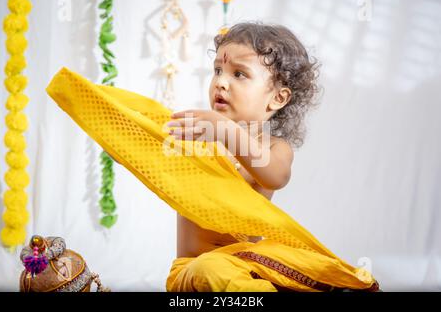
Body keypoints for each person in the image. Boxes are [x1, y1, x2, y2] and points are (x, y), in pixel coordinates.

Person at [46, 22, 380, 292]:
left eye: (239, 74)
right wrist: (122, 135)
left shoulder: (275, 148)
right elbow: (143, 150)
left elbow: (275, 175)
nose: (220, 82)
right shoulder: (195, 137)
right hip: (193, 274)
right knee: (212, 267)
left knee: (304, 263)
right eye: (217, 69)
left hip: (250, 265)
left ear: (277, 97)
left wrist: (225, 131)